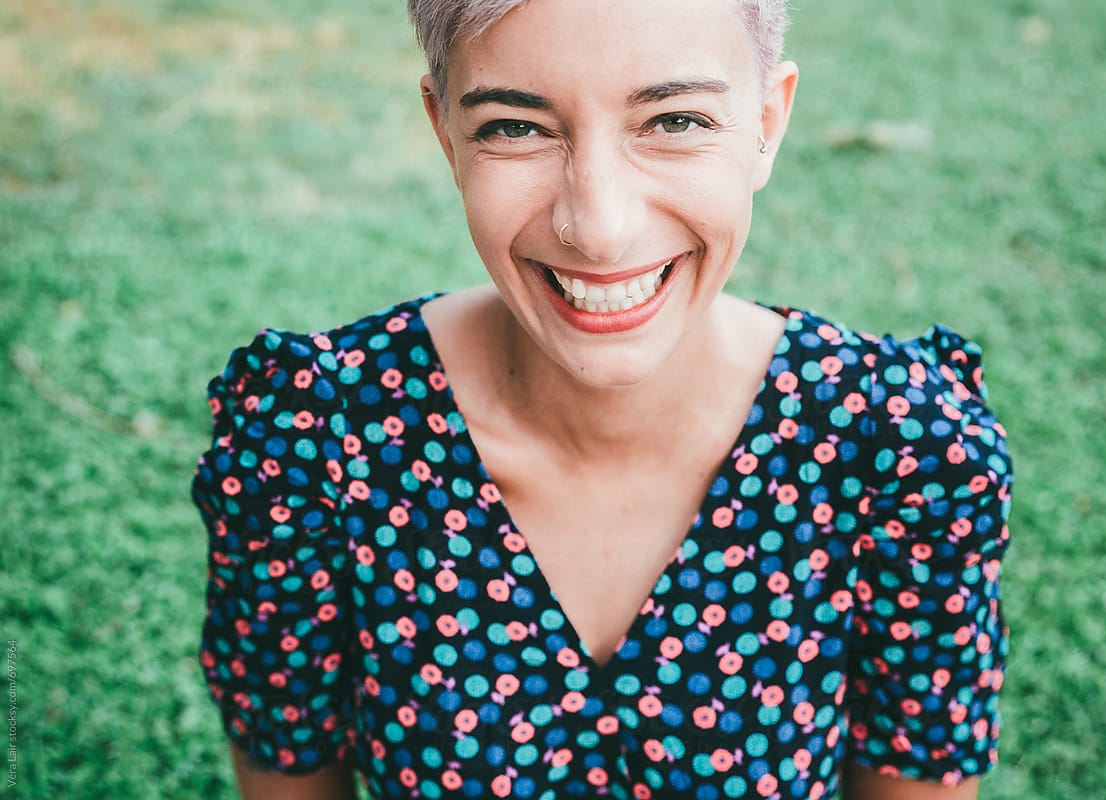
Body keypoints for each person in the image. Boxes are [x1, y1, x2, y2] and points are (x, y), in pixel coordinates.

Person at [192, 1, 1013, 798]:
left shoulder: (903, 451)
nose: (601, 225)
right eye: (515, 127)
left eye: (676, 121)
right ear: (448, 134)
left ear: (767, 121)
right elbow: (286, 762)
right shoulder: (311, 440)